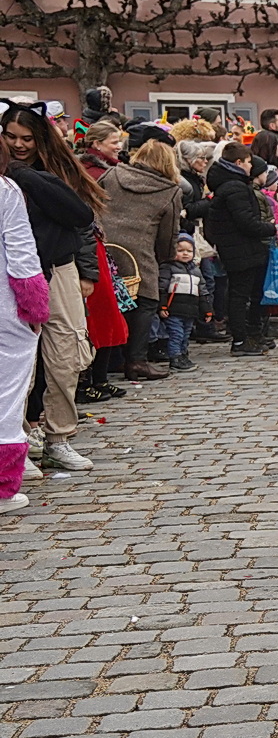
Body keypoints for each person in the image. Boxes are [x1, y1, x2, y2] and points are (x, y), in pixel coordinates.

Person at [3, 101, 97, 471]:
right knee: (16, 361)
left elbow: (83, 220)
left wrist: (87, 271)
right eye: (10, 137)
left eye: (26, 137)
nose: (18, 144)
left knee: (65, 355)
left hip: (59, 269)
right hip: (14, 276)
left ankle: (59, 436)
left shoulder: (53, 171)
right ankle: (16, 437)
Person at [98, 139, 181, 381]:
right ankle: (136, 361)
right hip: (140, 253)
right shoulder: (169, 191)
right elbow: (169, 234)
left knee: (107, 301)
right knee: (145, 303)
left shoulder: (112, 174)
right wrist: (164, 257)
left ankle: (109, 359)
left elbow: (91, 201)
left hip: (104, 245)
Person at [0, 172, 47, 513]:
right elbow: (21, 251)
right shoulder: (5, 191)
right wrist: (34, 305)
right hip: (4, 311)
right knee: (6, 392)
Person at [203, 143, 278, 356]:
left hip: (241, 247)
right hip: (240, 248)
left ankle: (252, 335)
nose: (249, 166)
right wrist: (272, 228)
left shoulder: (231, 184)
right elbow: (245, 221)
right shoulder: (234, 187)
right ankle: (240, 340)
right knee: (239, 294)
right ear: (238, 163)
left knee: (249, 292)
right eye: (247, 162)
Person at [157, 235, 210, 371]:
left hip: (190, 310)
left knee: (186, 334)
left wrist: (207, 309)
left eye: (189, 251)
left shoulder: (196, 271)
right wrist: (163, 306)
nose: (185, 253)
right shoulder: (168, 268)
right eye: (180, 250)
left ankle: (183, 355)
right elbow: (162, 288)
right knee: (176, 334)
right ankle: (175, 358)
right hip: (173, 309)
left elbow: (202, 291)